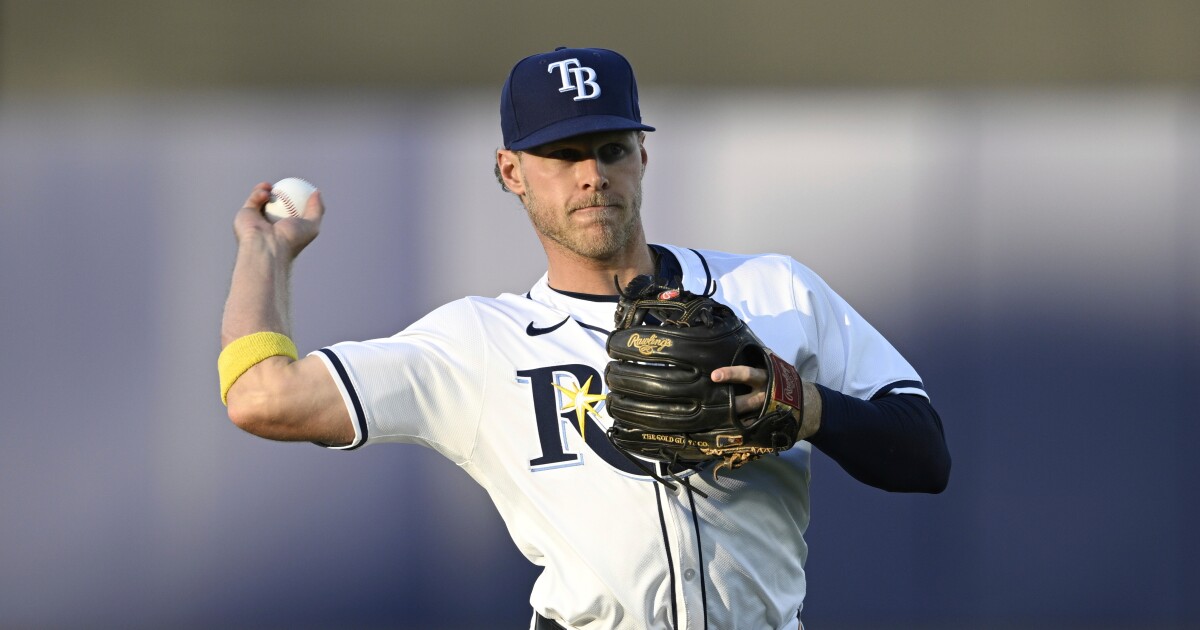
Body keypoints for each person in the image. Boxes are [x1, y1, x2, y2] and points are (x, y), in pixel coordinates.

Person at [218, 46, 951, 630]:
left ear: (642, 156)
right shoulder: (482, 344)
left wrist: (805, 406)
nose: (592, 176)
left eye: (610, 149)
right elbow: (262, 398)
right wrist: (264, 254)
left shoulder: (773, 291)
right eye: (563, 155)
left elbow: (925, 452)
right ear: (511, 171)